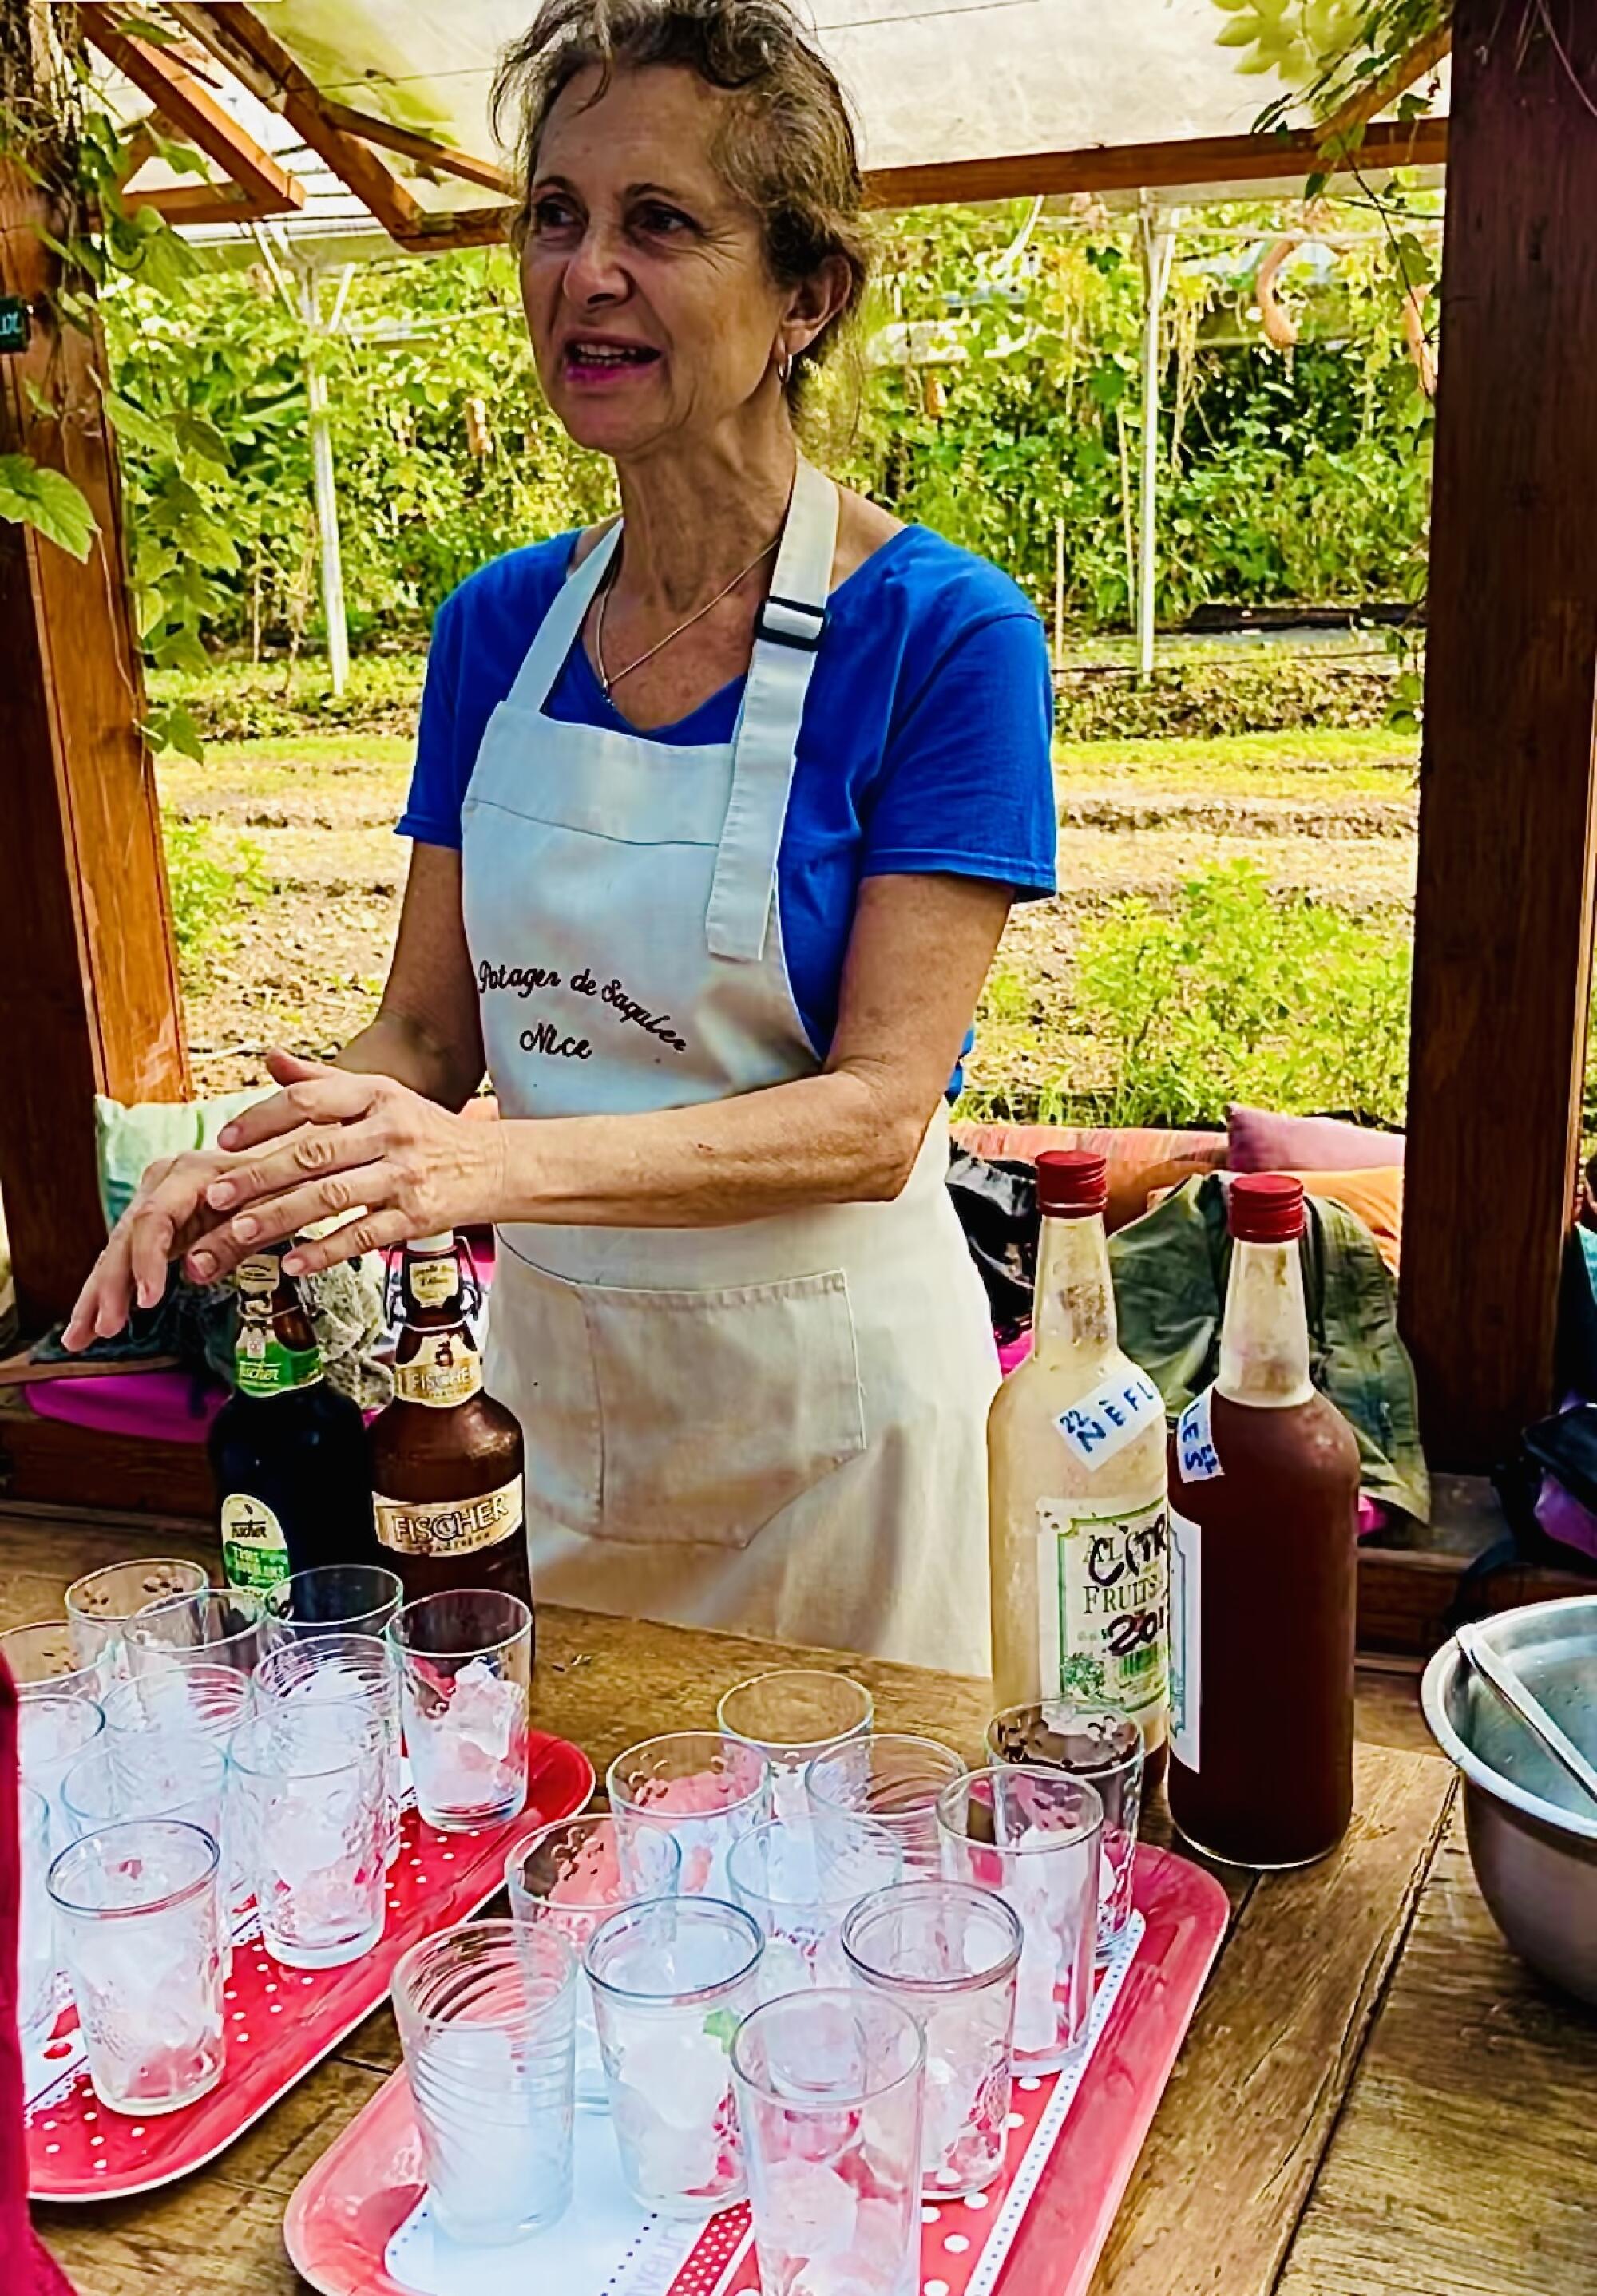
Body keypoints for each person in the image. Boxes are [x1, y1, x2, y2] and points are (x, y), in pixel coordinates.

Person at [64, 0, 1056, 1673]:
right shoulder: (495, 632)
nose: (584, 272)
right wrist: (248, 1159)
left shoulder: (942, 637)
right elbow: (430, 1032)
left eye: (658, 223)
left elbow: (879, 1117)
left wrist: (474, 1165)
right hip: (543, 1399)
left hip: (833, 1424)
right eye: (554, 215)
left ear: (805, 294)